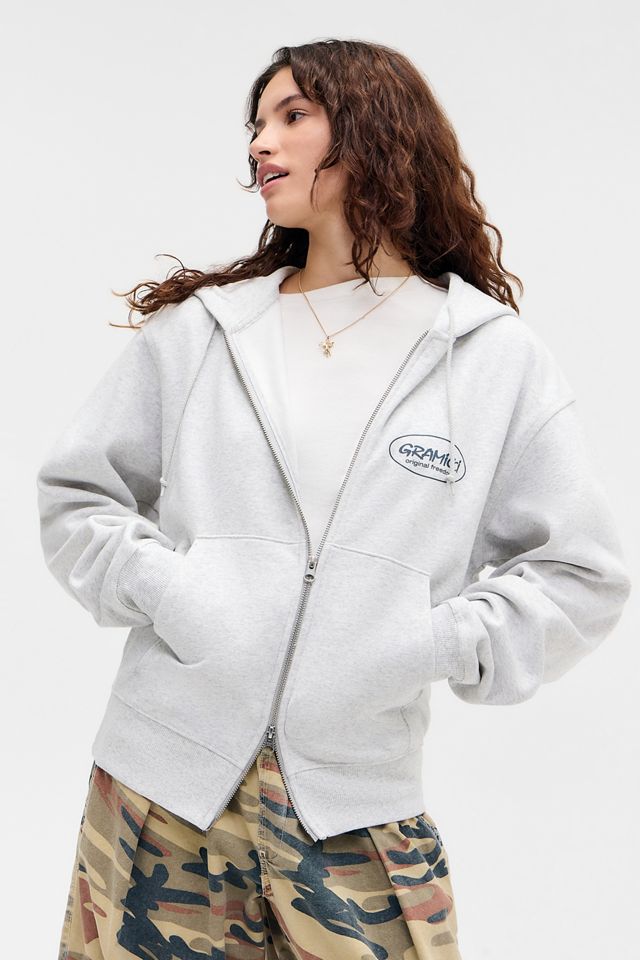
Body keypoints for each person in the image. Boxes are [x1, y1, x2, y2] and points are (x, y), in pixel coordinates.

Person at [37, 38, 631, 960]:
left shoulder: (490, 358)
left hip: (356, 811)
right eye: (255, 124)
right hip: (160, 794)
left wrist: (426, 642)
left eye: (292, 116)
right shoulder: (205, 333)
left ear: (373, 131)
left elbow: (581, 573)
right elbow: (78, 496)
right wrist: (177, 593)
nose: (259, 144)